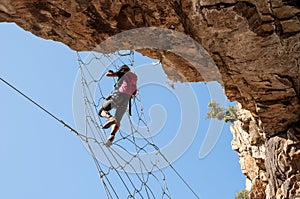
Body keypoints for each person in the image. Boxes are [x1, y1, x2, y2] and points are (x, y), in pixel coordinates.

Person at [98, 65, 137, 146]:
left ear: (122, 69)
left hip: (118, 95)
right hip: (126, 99)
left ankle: (110, 118)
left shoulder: (122, 73)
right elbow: (134, 91)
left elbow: (108, 75)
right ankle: (112, 136)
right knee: (117, 120)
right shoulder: (133, 79)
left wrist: (110, 72)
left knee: (101, 110)